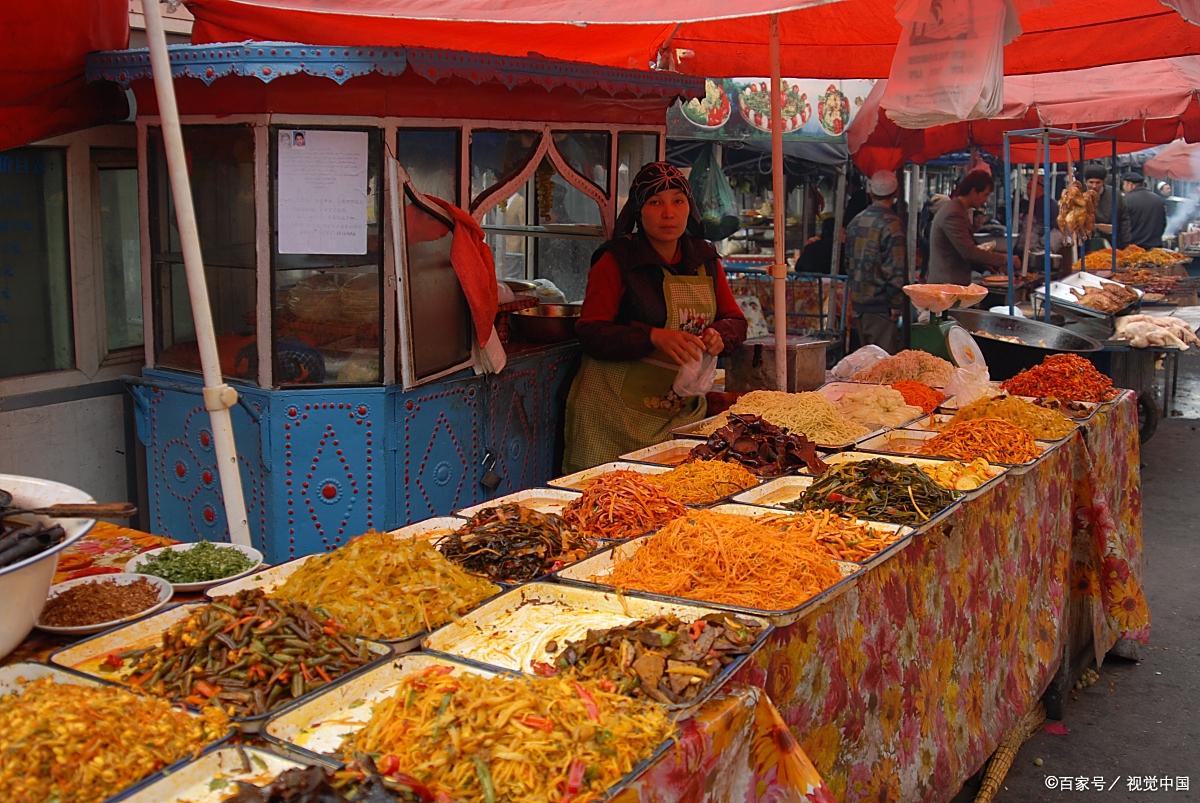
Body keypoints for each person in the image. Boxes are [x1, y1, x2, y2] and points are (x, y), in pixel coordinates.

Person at [562, 162, 748, 473]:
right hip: (610, 419)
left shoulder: (705, 259)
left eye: (678, 201)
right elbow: (591, 333)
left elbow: (736, 321)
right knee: (608, 497)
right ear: (639, 210)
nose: (668, 213)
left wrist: (720, 334)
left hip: (678, 415)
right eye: (655, 202)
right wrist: (652, 337)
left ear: (689, 208)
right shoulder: (615, 260)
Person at [845, 170, 907, 354]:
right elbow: (896, 270)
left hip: (859, 305)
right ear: (896, 193)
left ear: (871, 192)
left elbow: (848, 263)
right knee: (883, 363)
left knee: (867, 360)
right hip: (881, 308)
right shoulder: (893, 224)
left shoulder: (855, 221)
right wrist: (897, 305)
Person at [927, 170, 1017, 285]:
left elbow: (961, 251)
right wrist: (1006, 259)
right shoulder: (953, 213)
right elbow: (969, 252)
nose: (986, 200)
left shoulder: (957, 210)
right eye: (985, 195)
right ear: (974, 191)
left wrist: (986, 264)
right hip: (946, 287)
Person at [1084, 164, 1130, 248]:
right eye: (1091, 182)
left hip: (1111, 241)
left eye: (1098, 183)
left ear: (1103, 182)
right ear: (1086, 182)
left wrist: (1125, 244)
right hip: (1086, 242)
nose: (1094, 186)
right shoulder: (1080, 195)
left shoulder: (1114, 194)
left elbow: (1124, 219)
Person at [1122, 173, 1167, 250]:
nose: (1123, 187)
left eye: (1124, 184)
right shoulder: (1158, 199)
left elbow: (1122, 226)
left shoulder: (1126, 200)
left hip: (1134, 249)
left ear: (1130, 185)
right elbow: (1163, 223)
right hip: (1155, 248)